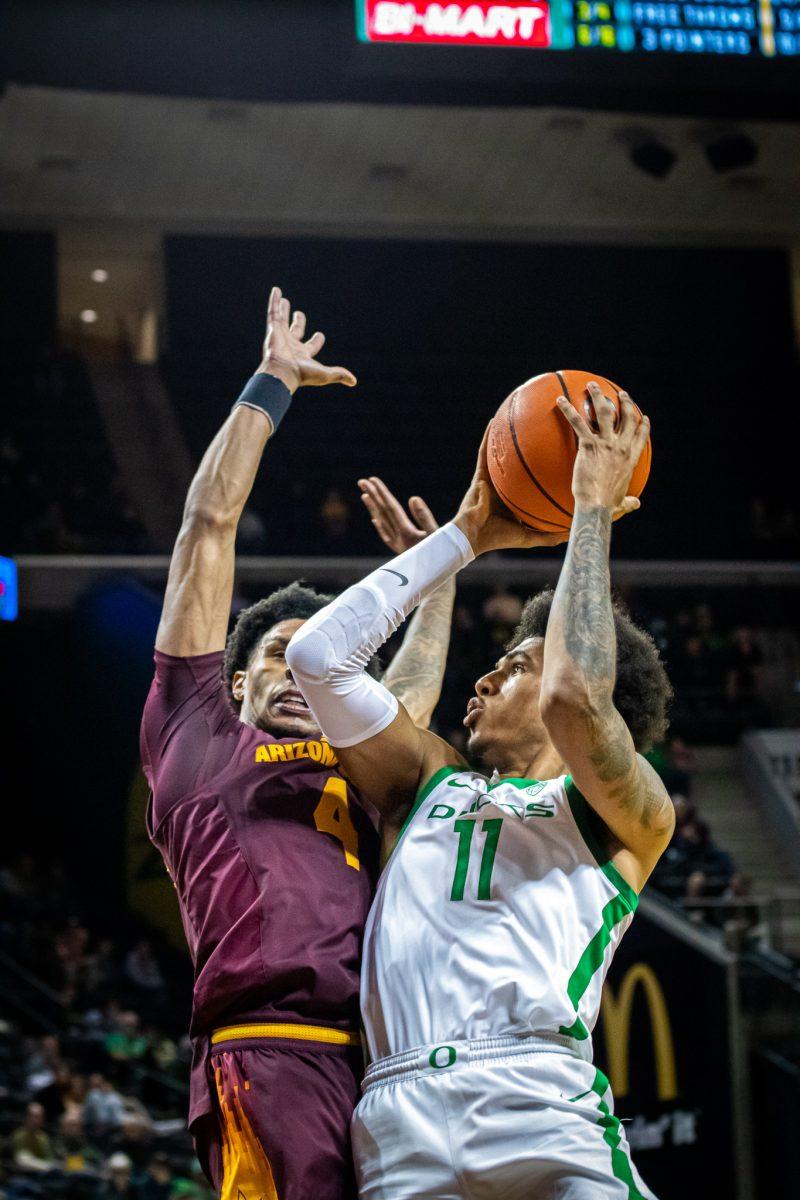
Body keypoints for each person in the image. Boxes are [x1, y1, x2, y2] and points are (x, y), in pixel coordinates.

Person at [286, 383, 673, 1199]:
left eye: (514, 664)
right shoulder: (426, 780)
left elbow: (573, 698)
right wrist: (464, 538)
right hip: (397, 1115)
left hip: (540, 1099)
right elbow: (319, 658)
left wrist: (588, 510)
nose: (486, 674)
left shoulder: (627, 812)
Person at [140, 287, 458, 1200]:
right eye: (282, 658)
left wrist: (434, 585)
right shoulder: (196, 738)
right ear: (237, 683)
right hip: (269, 1055)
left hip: (392, 1066)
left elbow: (411, 692)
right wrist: (271, 386)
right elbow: (208, 530)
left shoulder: (357, 754)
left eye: (315, 665)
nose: (302, 678)